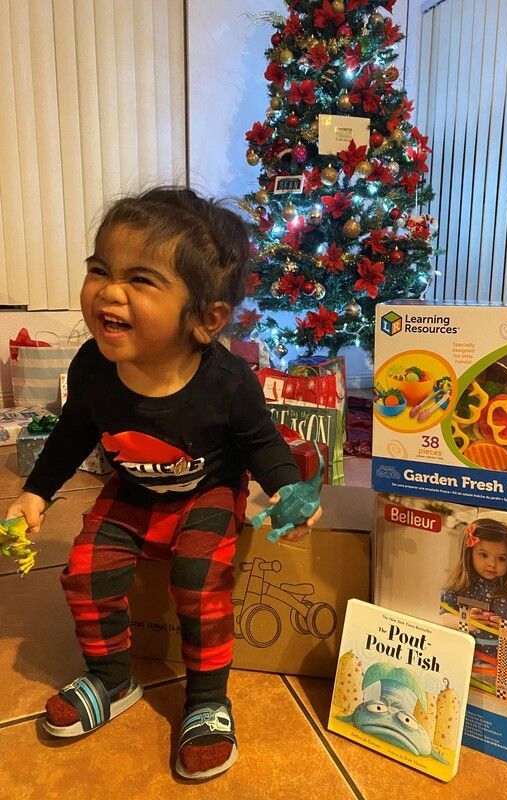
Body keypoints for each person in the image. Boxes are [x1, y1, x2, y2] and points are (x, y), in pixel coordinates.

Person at [6, 186, 321, 780]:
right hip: (131, 491)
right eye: (100, 270)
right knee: (86, 571)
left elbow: (262, 444)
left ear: (205, 319)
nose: (109, 291)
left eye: (141, 280)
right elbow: (72, 435)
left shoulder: (228, 382)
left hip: (207, 492)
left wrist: (287, 489)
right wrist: (36, 491)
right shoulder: (92, 367)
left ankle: (206, 702)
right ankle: (111, 678)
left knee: (198, 578)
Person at [439, 518, 507, 667]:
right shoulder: (457, 589)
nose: (492, 564)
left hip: (502, 669)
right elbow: (442, 619)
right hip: (462, 663)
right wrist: (465, 621)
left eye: (501, 559)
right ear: (469, 554)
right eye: (484, 555)